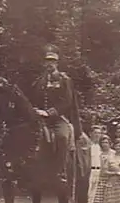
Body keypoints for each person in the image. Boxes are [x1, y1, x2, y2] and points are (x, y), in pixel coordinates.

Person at [29, 44, 82, 183]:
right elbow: (34, 98)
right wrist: (35, 110)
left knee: (62, 137)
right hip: (41, 119)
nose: (50, 64)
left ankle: (61, 171)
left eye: (52, 61)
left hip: (58, 119)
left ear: (57, 63)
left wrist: (50, 112)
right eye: (47, 61)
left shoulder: (65, 80)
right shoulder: (39, 81)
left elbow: (68, 101)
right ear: (44, 63)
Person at [86, 125, 103, 203]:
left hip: (98, 172)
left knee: (92, 200)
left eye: (99, 133)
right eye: (95, 133)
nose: (97, 135)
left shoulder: (98, 147)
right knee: (86, 199)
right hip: (89, 172)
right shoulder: (88, 146)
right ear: (90, 134)